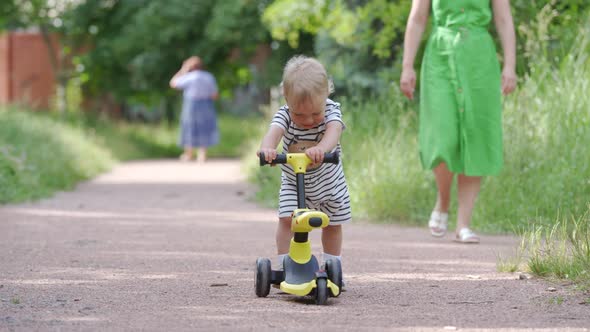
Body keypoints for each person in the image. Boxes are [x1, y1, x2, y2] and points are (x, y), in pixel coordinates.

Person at [399, 0, 517, 243]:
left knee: (476, 134)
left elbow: (503, 19)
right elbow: (418, 18)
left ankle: (464, 223)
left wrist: (510, 66)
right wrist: (407, 66)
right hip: (441, 56)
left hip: (479, 58)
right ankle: (443, 200)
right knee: (444, 136)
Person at [257, 55, 352, 272]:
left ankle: (332, 266)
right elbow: (273, 133)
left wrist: (323, 148)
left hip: (329, 183)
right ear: (287, 99)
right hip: (293, 182)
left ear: (327, 93)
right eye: (299, 114)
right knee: (287, 221)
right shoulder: (284, 115)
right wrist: (268, 149)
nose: (308, 120)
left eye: (315, 113)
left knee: (332, 225)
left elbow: (334, 131)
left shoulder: (331, 110)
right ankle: (284, 266)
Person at [170, 56, 219, 163]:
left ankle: (189, 154)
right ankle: (202, 154)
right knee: (204, 127)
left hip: (191, 104)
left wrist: (182, 70)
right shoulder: (209, 77)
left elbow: (173, 83)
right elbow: (215, 95)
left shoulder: (190, 77)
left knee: (189, 127)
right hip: (206, 104)